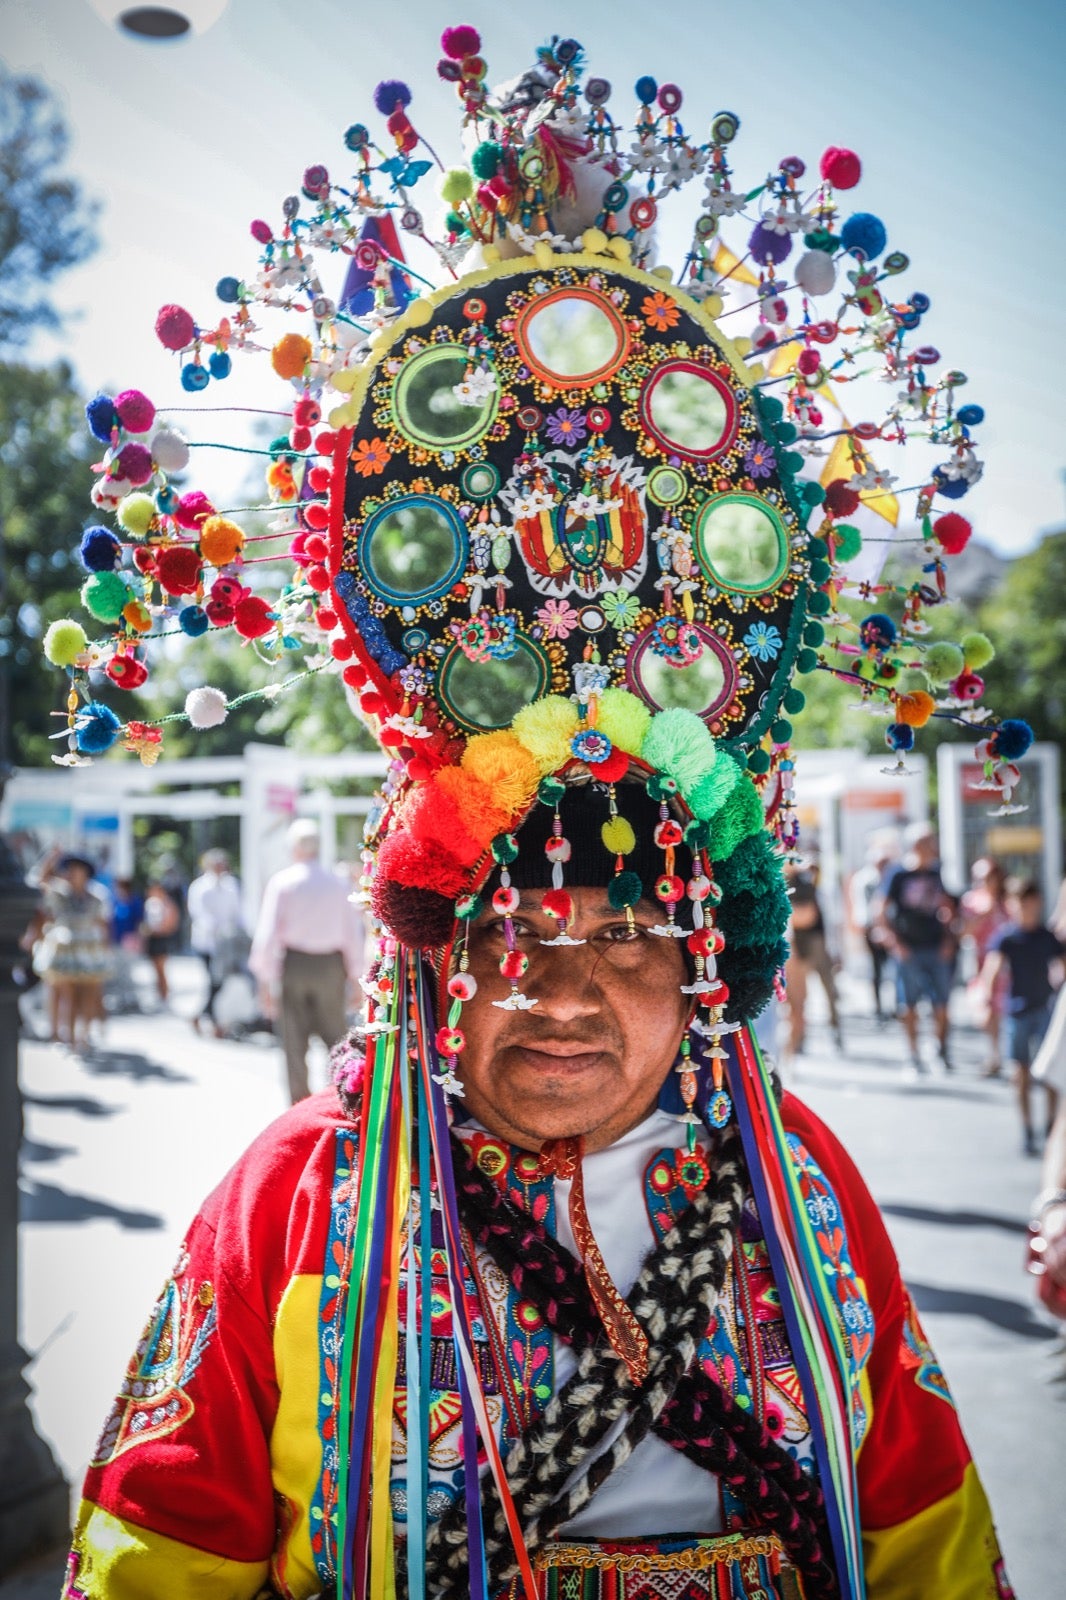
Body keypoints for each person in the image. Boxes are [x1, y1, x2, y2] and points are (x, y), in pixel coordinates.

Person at [57, 28, 1016, 1599]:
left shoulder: (805, 1190)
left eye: (632, 937)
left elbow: (926, 1543)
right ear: (434, 953)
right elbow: (158, 1557)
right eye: (513, 933)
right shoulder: (297, 1204)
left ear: (710, 966)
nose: (563, 991)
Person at [248, 820, 365, 1102]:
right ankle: (338, 1099)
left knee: (293, 1040)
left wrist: (264, 980)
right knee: (336, 1037)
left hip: (295, 965)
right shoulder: (337, 884)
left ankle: (298, 1104)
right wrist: (356, 978)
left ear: (295, 848)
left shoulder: (283, 882)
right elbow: (353, 934)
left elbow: (268, 934)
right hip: (331, 967)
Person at [979, 879, 1063, 1156]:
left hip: (1045, 1011)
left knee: (1051, 1073)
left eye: (1031, 905)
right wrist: (987, 1000)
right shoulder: (1007, 937)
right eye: (1021, 905)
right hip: (1017, 1011)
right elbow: (993, 968)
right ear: (1012, 906)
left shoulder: (1046, 937)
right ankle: (1027, 1128)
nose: (1027, 911)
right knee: (1021, 1071)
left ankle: (1051, 1124)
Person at [879, 825, 957, 1076]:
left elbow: (946, 908)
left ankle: (940, 1050)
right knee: (908, 1004)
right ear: (916, 846)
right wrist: (895, 943)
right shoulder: (898, 874)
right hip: (908, 949)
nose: (933, 847)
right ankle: (912, 1054)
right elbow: (880, 910)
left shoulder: (936, 873)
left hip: (935, 947)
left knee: (942, 1003)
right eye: (929, 843)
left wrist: (949, 938)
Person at [30, 850, 112, 1049]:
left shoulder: (97, 896)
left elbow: (103, 924)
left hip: (87, 951)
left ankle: (81, 1036)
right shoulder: (59, 892)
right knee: (65, 993)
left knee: (87, 993)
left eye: (77, 869)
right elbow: (39, 881)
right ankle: (64, 1035)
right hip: (63, 950)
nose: (72, 873)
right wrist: (51, 858)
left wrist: (106, 950)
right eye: (70, 869)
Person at [783, 860, 843, 1055]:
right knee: (797, 1000)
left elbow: (809, 916)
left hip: (813, 943)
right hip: (795, 948)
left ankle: (834, 1029)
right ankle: (799, 1040)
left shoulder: (805, 884)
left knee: (827, 990)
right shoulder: (783, 882)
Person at [187, 848, 246, 1037]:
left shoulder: (231, 886)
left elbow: (237, 912)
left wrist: (240, 932)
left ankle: (204, 1016)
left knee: (220, 982)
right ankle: (211, 1020)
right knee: (214, 982)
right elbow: (199, 914)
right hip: (207, 943)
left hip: (227, 943)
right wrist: (216, 930)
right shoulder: (199, 887)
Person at [960, 858, 1011, 1077]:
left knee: (1006, 1009)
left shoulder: (1008, 900)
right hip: (982, 963)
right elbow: (964, 933)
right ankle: (995, 1053)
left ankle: (1003, 1057)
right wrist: (984, 914)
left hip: (1009, 965)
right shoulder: (971, 901)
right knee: (985, 1011)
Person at [847, 837, 897, 1023]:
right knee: (877, 969)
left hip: (889, 928)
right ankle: (878, 1007)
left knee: (892, 969)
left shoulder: (890, 878)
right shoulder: (866, 880)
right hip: (872, 927)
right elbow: (865, 907)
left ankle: (893, 1005)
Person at [140, 877, 181, 1004]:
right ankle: (160, 994)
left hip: (162, 939)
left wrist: (157, 930)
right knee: (155, 969)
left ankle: (164, 995)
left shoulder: (167, 903)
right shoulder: (150, 903)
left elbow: (172, 923)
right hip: (152, 939)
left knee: (161, 969)